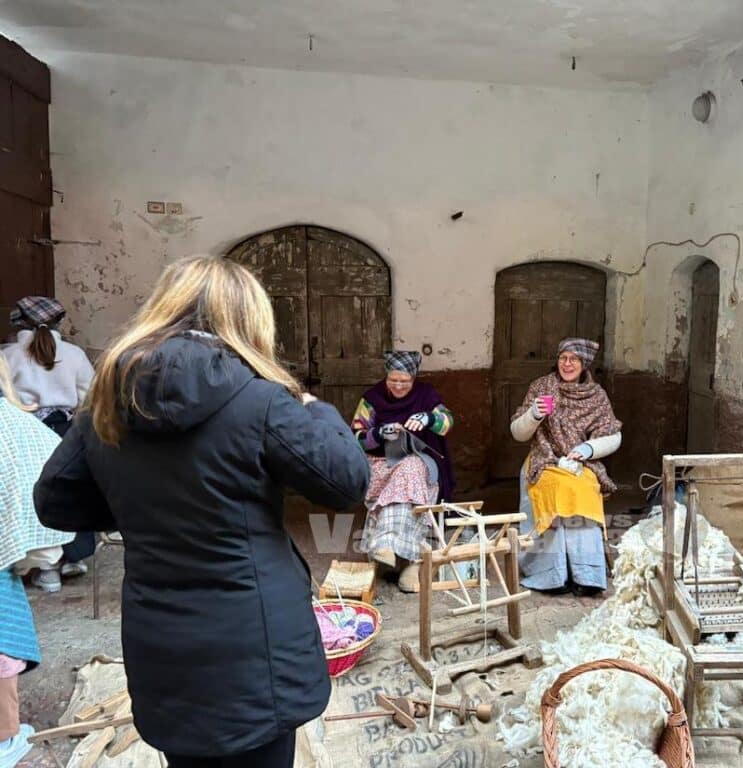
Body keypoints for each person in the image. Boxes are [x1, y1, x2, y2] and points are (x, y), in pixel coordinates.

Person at [34, 256, 370, 768]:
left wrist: (141, 507)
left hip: (162, 645)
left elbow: (56, 500)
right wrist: (313, 407)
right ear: (248, 320)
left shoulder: (108, 402)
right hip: (256, 650)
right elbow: (347, 481)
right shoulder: (261, 400)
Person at [0, 356, 74, 767]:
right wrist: (38, 556)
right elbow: (47, 481)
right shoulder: (14, 425)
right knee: (2, 643)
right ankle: (3, 739)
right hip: (2, 560)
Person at [510, 338, 622, 595]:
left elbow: (614, 435)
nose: (567, 364)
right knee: (558, 490)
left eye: (574, 359)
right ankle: (552, 574)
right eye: (563, 358)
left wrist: (588, 449)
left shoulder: (596, 395)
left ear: (584, 364)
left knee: (584, 490)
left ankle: (587, 575)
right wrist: (534, 415)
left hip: (579, 463)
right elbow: (517, 432)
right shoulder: (542, 387)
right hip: (544, 460)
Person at [3, 296, 96, 591]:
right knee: (72, 488)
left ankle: (45, 568)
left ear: (18, 322)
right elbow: (90, 397)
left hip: (23, 433)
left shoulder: (8, 355)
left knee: (34, 493)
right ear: (59, 322)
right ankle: (73, 557)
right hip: (66, 430)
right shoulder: (74, 354)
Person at [351, 350, 455, 593]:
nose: (398, 385)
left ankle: (386, 543)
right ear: (386, 376)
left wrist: (429, 419)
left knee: (410, 469)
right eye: (393, 380)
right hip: (381, 464)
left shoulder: (426, 395)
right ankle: (412, 563)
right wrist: (379, 433)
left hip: (418, 462)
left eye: (404, 381)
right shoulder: (371, 399)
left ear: (413, 378)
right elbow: (356, 437)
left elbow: (448, 421)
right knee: (406, 488)